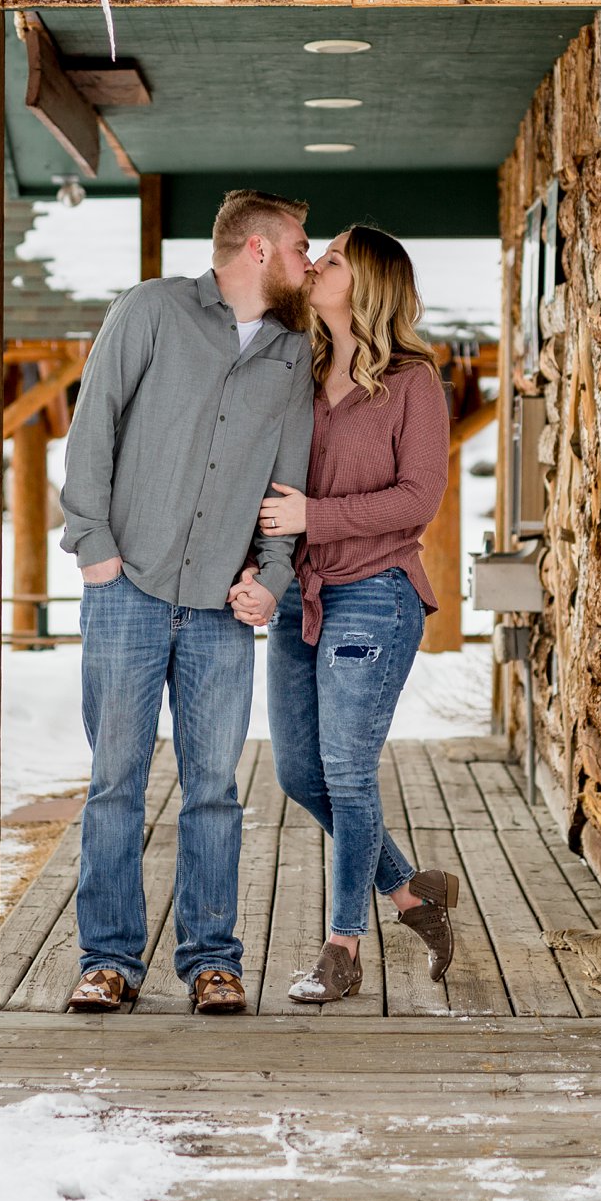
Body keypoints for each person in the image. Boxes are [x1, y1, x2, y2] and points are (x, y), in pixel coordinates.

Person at [56, 190, 315, 1016]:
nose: (310, 262)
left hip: (218, 608)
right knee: (115, 782)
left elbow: (288, 483)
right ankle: (107, 960)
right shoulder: (153, 311)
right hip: (125, 589)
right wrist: (91, 545)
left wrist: (270, 579)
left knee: (212, 786)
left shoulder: (291, 354)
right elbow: (92, 423)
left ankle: (212, 959)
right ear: (260, 250)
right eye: (303, 247)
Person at [230, 226, 460, 1006]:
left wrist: (313, 517)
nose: (316, 265)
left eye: (330, 260)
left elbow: (416, 499)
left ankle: (340, 948)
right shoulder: (298, 366)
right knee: (298, 771)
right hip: (299, 593)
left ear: (365, 284)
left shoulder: (413, 382)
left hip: (374, 593)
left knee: (347, 772)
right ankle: (410, 892)